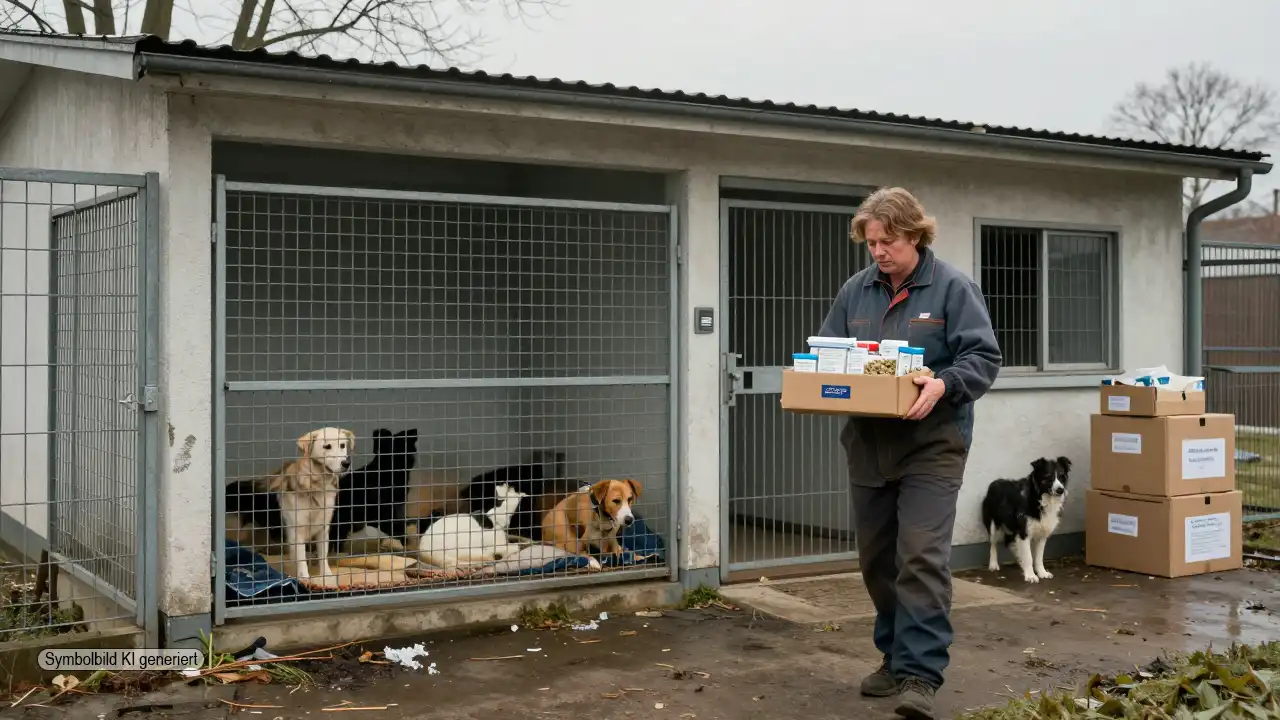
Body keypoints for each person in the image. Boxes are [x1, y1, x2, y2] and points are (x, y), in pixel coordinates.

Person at [816, 187, 1001, 720]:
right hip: (869, 446)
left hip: (933, 445)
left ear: (915, 234)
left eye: (888, 240)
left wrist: (943, 384)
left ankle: (920, 673)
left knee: (920, 555)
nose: (878, 251)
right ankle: (894, 657)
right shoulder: (856, 291)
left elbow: (983, 356)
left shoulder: (952, 288)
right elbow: (830, 354)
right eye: (871, 242)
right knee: (877, 561)